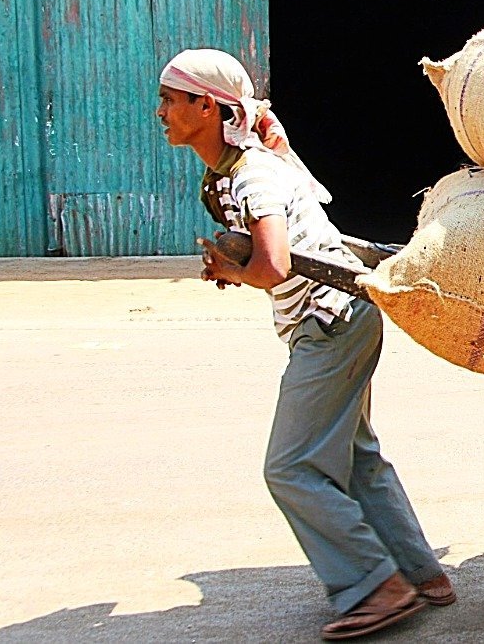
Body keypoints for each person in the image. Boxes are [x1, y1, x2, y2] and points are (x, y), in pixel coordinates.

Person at [156, 48, 453, 641]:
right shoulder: (247, 165)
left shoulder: (251, 174)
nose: (160, 111)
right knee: (355, 457)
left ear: (206, 106)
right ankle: (420, 573)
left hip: (329, 324)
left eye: (169, 99)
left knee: (290, 468)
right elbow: (310, 206)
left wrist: (233, 271)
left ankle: (375, 587)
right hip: (344, 317)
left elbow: (273, 262)